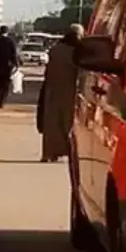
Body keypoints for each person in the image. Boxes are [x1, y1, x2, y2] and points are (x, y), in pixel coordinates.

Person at [36, 24, 83, 162]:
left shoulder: (55, 50)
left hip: (52, 90)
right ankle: (68, 152)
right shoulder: (78, 52)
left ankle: (49, 153)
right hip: (71, 91)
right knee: (68, 124)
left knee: (52, 124)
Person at [0, 26, 19, 108]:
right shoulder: (10, 41)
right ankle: (2, 101)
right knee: (5, 84)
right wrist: (16, 64)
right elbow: (14, 54)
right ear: (7, 32)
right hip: (7, 66)